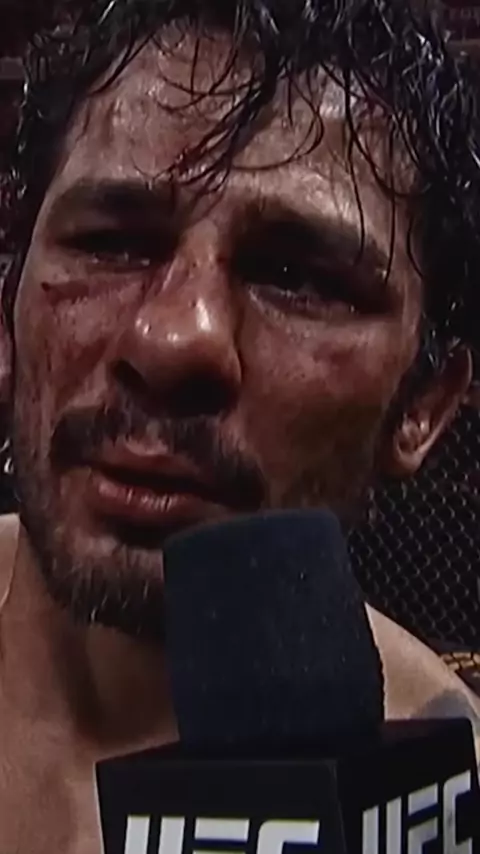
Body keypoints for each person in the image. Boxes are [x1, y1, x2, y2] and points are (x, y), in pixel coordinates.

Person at [0, 0, 479, 850]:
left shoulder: (450, 798)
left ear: (423, 408)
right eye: (113, 242)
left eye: (296, 276)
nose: (171, 339)